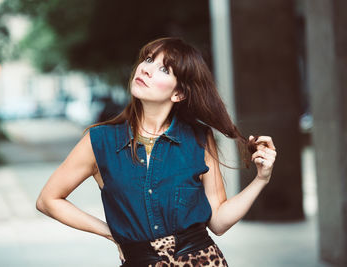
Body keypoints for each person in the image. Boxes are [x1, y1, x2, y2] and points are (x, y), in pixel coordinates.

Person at [36, 37, 277, 267]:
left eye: (164, 69)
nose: (146, 69)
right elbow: (48, 200)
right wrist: (111, 233)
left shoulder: (198, 138)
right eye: (148, 59)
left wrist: (261, 179)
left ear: (178, 93)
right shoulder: (99, 140)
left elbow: (218, 222)